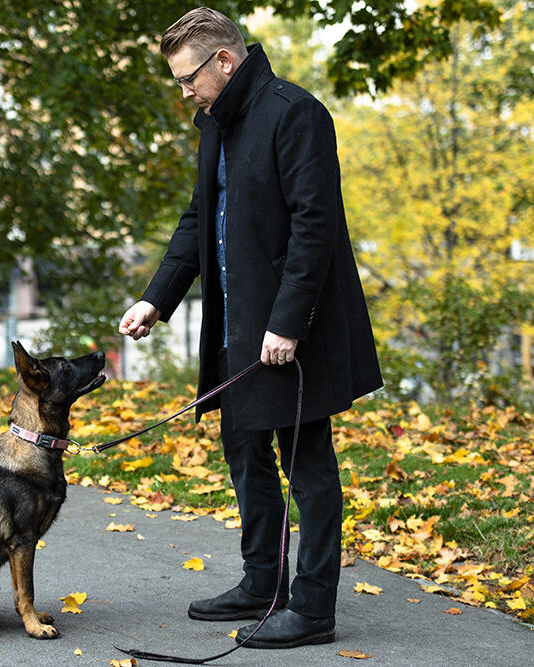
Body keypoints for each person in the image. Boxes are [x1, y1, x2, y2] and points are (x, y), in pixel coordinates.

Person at [117, 7, 382, 650]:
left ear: (224, 63)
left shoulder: (296, 113)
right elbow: (197, 219)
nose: (185, 93)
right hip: (235, 331)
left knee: (307, 465)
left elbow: (314, 229)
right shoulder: (218, 123)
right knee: (245, 455)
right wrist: (157, 298)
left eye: (188, 79)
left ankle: (313, 607)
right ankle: (263, 582)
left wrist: (287, 324)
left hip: (295, 332)